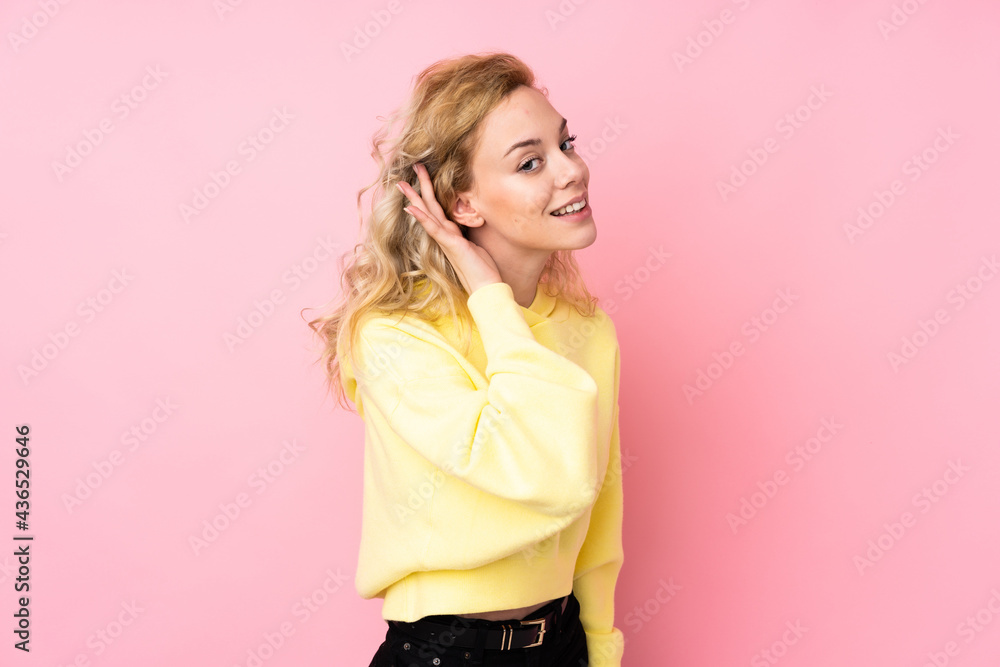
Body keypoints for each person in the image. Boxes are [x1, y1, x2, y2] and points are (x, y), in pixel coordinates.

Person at [306, 51, 625, 666]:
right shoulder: (395, 335)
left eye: (567, 144)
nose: (573, 170)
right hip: (446, 652)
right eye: (531, 163)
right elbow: (542, 475)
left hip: (561, 642)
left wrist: (601, 647)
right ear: (465, 205)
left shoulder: (587, 329)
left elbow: (599, 502)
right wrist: (490, 298)